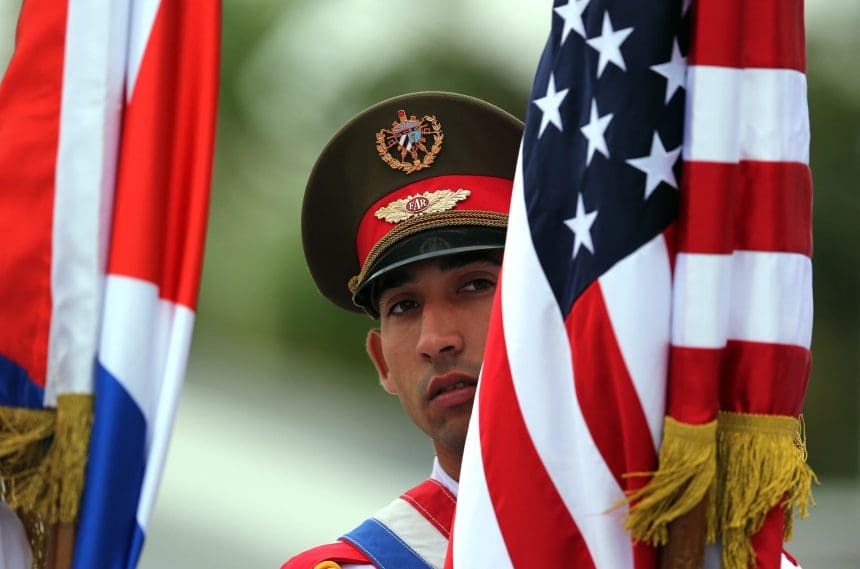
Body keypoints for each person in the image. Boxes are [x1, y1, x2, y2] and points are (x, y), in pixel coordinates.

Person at [282, 92, 522, 569]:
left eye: (475, 284)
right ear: (381, 362)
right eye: (404, 306)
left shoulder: (675, 524)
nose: (435, 339)